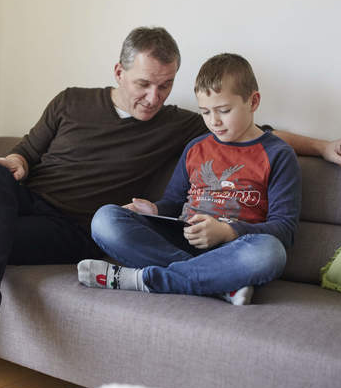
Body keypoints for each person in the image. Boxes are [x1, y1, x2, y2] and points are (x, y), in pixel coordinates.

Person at [0, 27, 341, 388]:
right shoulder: (71, 102)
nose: (154, 98)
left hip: (80, 232)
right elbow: (25, 154)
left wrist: (322, 145)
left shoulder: (182, 126)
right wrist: (13, 162)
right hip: (32, 209)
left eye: (166, 86)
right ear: (118, 73)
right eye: (144, 84)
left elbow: (252, 130)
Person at [78, 52, 299, 306]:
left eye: (224, 110)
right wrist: (154, 209)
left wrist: (227, 232)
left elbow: (284, 230)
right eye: (205, 112)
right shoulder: (196, 147)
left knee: (270, 253)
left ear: (253, 101)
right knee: (105, 219)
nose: (214, 121)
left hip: (231, 250)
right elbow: (173, 200)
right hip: (183, 239)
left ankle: (149, 280)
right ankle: (216, 284)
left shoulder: (278, 154)